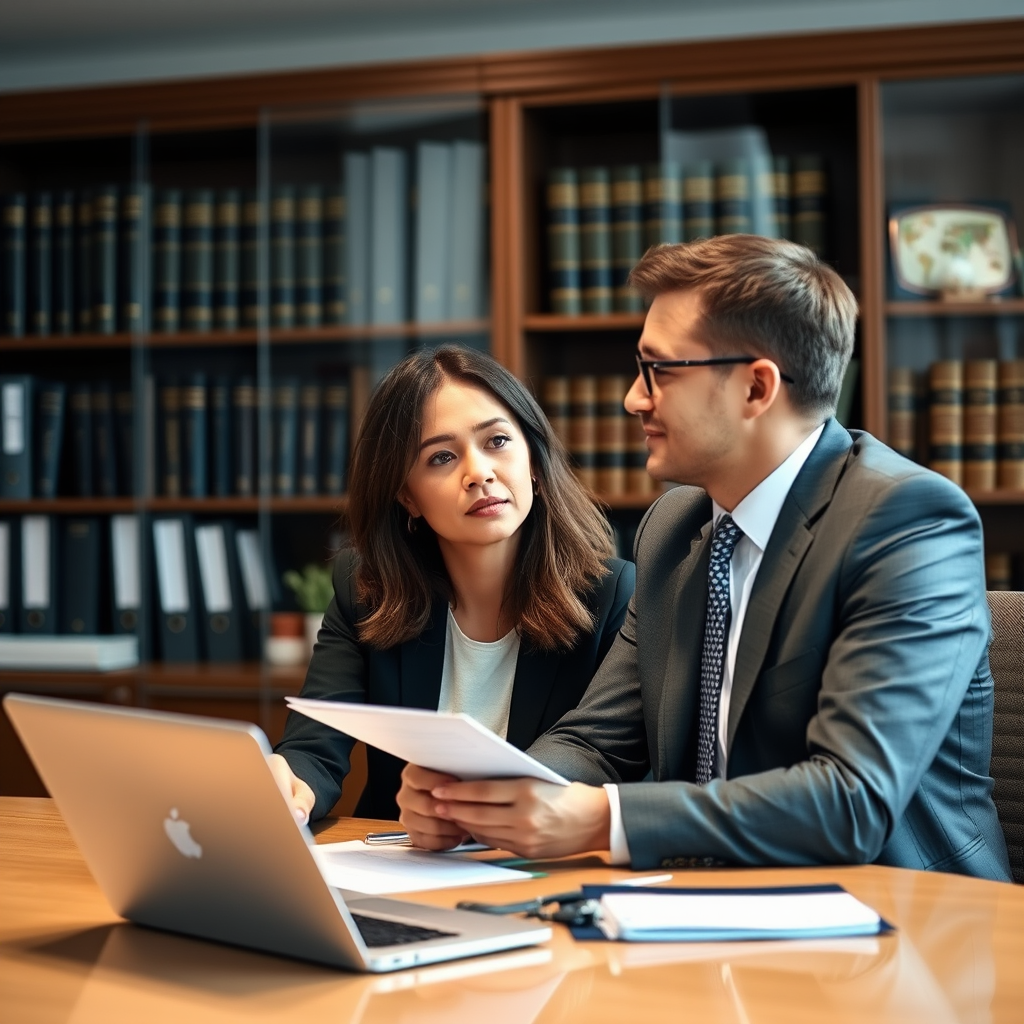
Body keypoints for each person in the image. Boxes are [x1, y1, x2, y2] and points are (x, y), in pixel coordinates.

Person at [396, 235, 1012, 882]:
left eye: (659, 371)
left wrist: (603, 820)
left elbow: (850, 802)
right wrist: (479, 796)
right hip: (711, 910)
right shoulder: (675, 526)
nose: (634, 398)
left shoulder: (907, 522)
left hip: (903, 923)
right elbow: (596, 742)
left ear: (755, 387)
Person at [269, 345, 635, 824]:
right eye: (441, 457)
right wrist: (288, 782)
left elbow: (610, 764)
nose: (478, 472)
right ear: (407, 496)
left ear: (535, 465)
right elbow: (313, 749)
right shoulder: (366, 591)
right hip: (401, 866)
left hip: (537, 872)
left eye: (497, 441)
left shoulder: (611, 597)